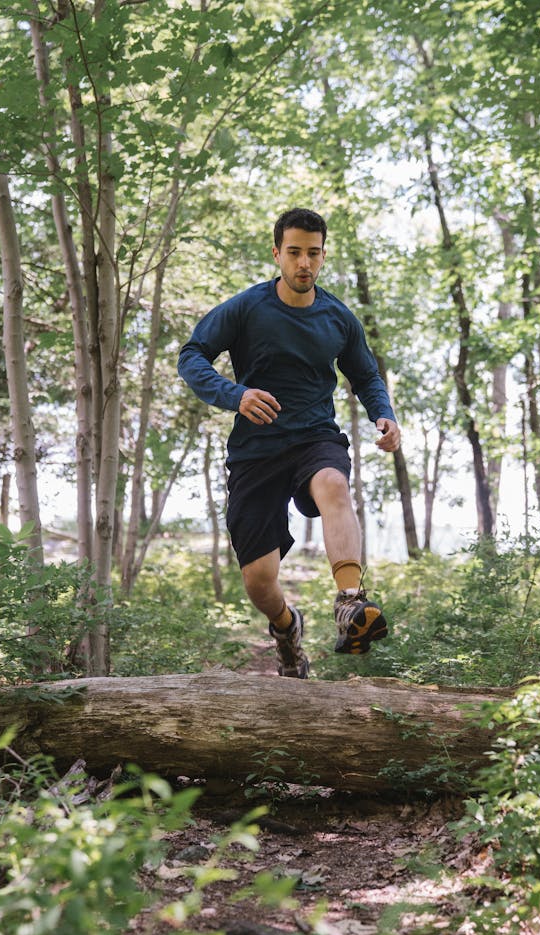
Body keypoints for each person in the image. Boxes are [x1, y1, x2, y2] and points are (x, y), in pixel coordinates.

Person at [178, 207, 401, 679]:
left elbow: (365, 375)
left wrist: (385, 414)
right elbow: (192, 354)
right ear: (277, 253)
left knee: (333, 485)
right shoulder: (247, 308)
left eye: (313, 254)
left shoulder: (338, 317)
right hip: (255, 451)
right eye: (294, 252)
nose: (304, 263)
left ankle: (349, 602)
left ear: (323, 256)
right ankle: (286, 627)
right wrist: (234, 396)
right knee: (259, 581)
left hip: (314, 436)